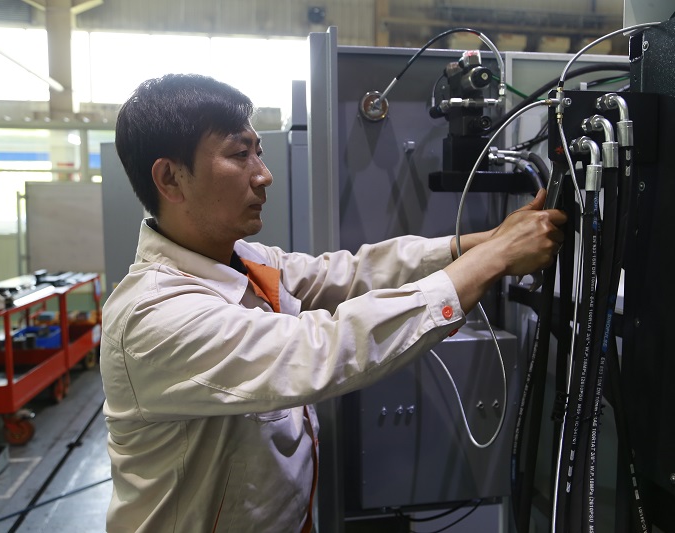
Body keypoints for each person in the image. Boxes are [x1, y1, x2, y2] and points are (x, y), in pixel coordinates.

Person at [100, 73, 566, 532]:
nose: (264, 174)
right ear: (170, 178)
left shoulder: (241, 260)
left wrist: (483, 242)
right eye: (240, 154)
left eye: (259, 152)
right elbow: (322, 347)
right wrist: (491, 261)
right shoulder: (154, 315)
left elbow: (347, 274)